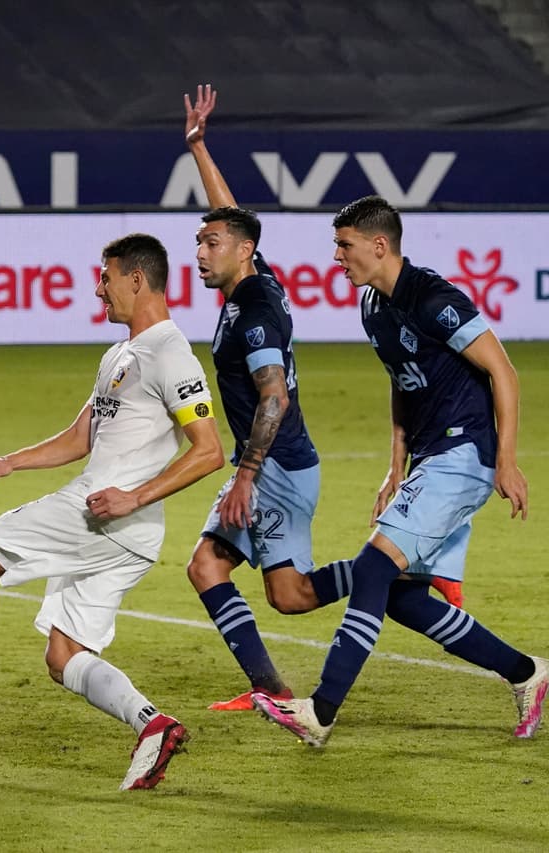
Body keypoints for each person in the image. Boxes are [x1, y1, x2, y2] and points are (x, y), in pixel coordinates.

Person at [0, 233, 226, 791]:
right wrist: (11, 462)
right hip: (124, 534)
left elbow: (210, 450)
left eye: (105, 278)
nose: (98, 288)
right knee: (63, 658)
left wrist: (132, 497)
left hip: (103, 517)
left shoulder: (170, 354)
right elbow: (81, 435)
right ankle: (153, 725)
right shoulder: (120, 354)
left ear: (137, 279)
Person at [252, 196, 547, 746]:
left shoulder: (433, 298)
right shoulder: (372, 306)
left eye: (344, 245)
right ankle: (528, 672)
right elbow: (403, 381)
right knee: (401, 597)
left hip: (464, 455)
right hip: (430, 459)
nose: (336, 256)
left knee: (371, 570)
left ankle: (321, 711)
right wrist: (395, 469)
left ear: (379, 245)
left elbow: (503, 371)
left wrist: (506, 461)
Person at [181, 85, 352, 712]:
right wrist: (199, 147)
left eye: (210, 244)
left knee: (274, 589)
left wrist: (247, 474)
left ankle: (388, 570)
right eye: (199, 242)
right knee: (276, 590)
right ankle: (272, 689)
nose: (201, 252)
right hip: (273, 464)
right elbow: (233, 217)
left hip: (276, 466)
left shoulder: (254, 312)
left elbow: (273, 398)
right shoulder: (258, 276)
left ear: (241, 252)